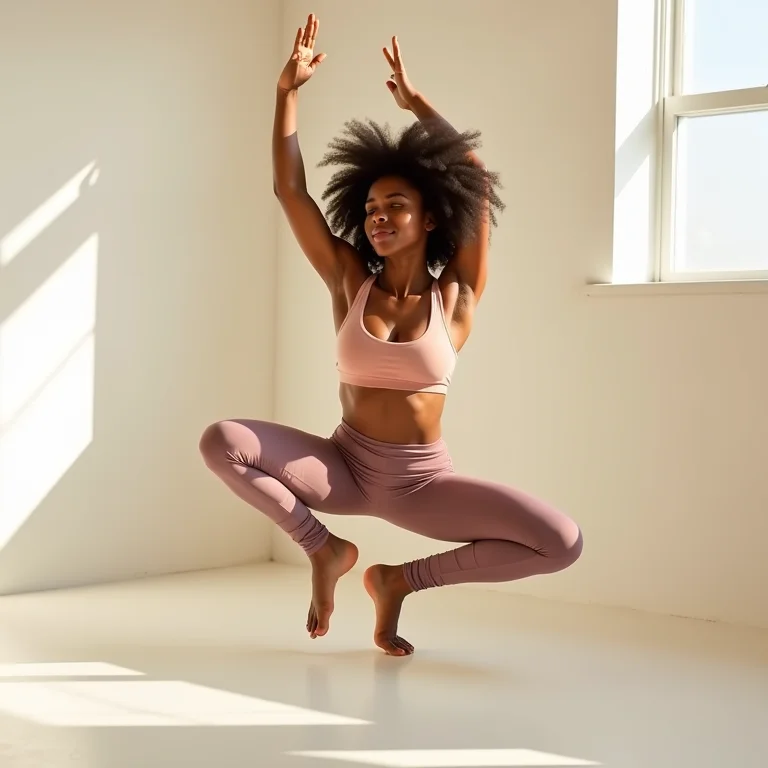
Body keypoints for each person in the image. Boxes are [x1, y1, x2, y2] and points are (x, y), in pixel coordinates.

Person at [200, 13, 583, 656]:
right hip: (343, 467)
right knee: (223, 442)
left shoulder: (457, 294)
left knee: (561, 542)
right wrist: (286, 93)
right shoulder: (348, 278)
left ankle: (399, 581)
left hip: (421, 485)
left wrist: (417, 105)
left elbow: (476, 177)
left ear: (431, 216)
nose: (378, 218)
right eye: (371, 209)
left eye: (395, 206)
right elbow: (289, 189)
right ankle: (326, 550)